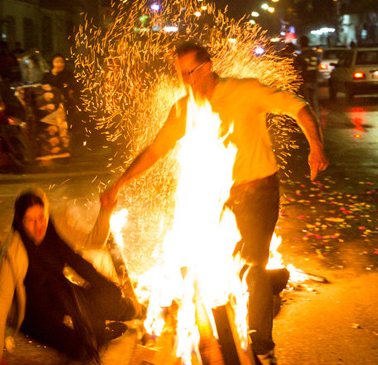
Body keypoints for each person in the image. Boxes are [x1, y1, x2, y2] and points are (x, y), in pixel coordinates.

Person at [101, 41, 328, 365]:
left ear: (206, 67)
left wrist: (316, 146)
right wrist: (120, 183)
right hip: (216, 195)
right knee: (201, 259)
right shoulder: (184, 109)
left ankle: (260, 342)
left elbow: (298, 108)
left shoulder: (244, 91)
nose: (185, 81)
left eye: (189, 73)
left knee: (252, 266)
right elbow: (155, 150)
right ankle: (214, 333)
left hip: (257, 191)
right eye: (180, 75)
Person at [0, 188, 142, 364]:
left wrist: (105, 211)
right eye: (30, 221)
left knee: (111, 301)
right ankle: (91, 338)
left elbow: (93, 243)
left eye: (41, 217)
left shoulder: (57, 226)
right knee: (82, 350)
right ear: (20, 221)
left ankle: (130, 311)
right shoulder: (13, 250)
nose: (39, 226)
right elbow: (0, 304)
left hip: (60, 294)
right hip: (35, 315)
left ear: (47, 213)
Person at [294, 36, 320, 123]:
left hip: (305, 80)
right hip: (314, 79)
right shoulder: (315, 54)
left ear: (301, 44)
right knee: (314, 101)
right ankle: (317, 120)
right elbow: (317, 65)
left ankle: (309, 121)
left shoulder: (301, 56)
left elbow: (295, 68)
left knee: (306, 102)